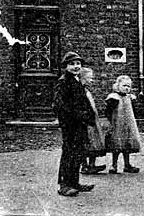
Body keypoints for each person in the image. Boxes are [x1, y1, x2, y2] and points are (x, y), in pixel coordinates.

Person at [52, 51, 97, 197]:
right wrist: (74, 117)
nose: (76, 66)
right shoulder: (63, 81)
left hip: (79, 123)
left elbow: (82, 101)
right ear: (66, 66)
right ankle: (64, 185)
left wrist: (88, 117)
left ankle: (74, 182)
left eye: (78, 64)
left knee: (78, 153)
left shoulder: (77, 80)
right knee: (69, 153)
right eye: (72, 64)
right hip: (71, 124)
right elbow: (60, 105)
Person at [105, 75, 142, 173]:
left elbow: (133, 110)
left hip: (128, 124)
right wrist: (111, 121)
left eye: (128, 86)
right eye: (124, 85)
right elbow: (108, 111)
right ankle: (114, 165)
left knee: (127, 144)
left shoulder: (129, 98)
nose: (126, 88)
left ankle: (127, 164)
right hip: (117, 124)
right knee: (116, 144)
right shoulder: (114, 98)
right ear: (118, 86)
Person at [79, 67, 107, 174]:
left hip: (92, 120)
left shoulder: (86, 91)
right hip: (87, 120)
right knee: (88, 142)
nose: (91, 80)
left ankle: (91, 164)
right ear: (83, 78)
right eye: (89, 78)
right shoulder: (80, 92)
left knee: (94, 141)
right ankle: (85, 165)